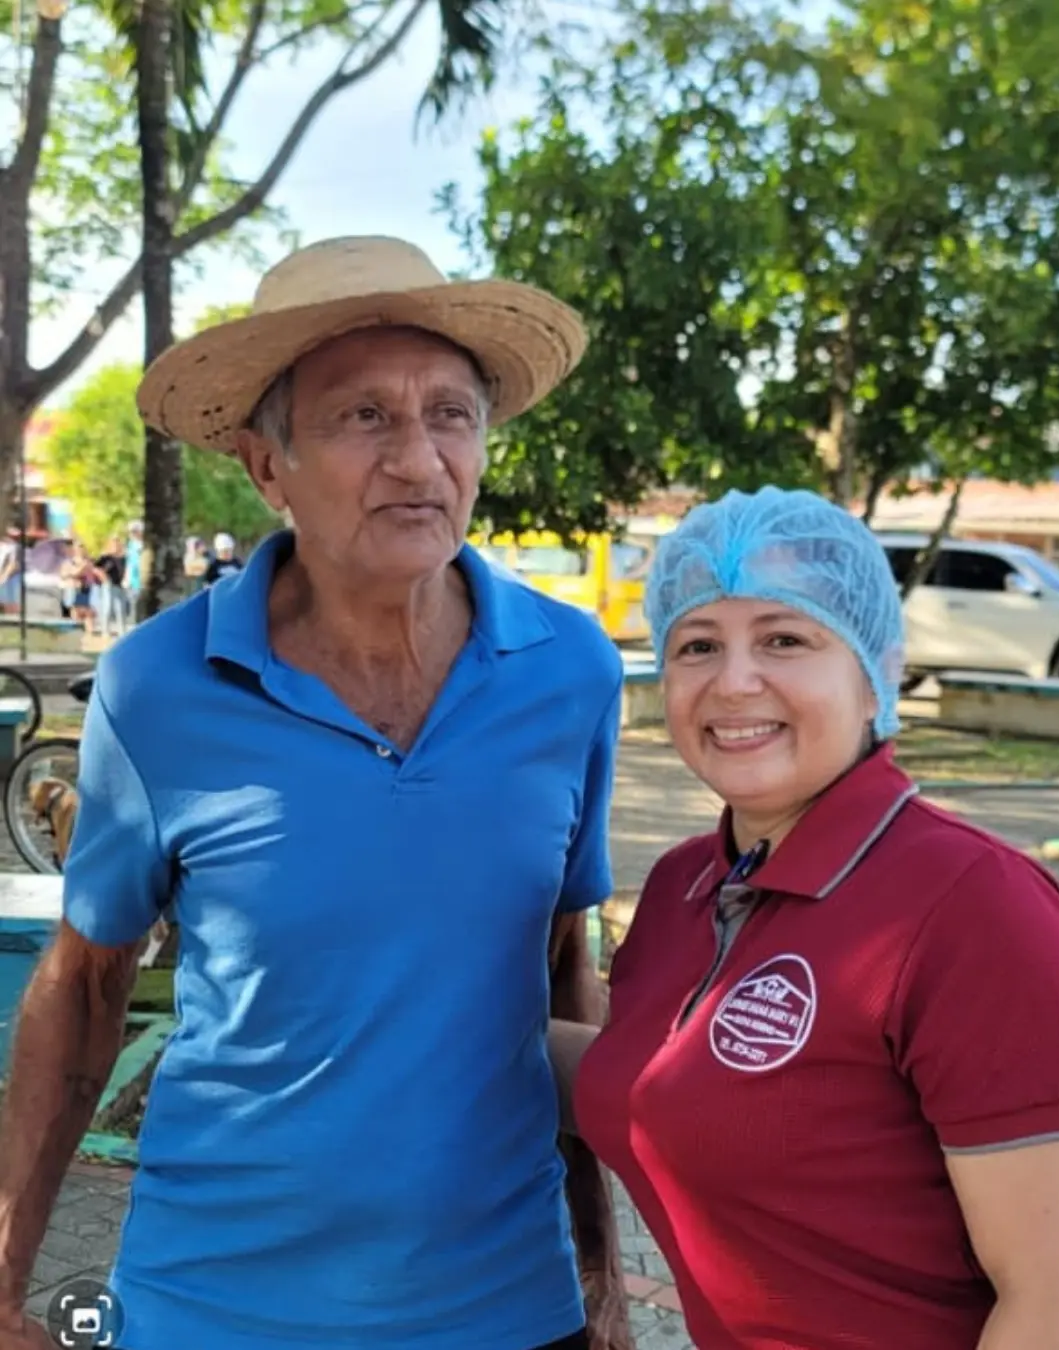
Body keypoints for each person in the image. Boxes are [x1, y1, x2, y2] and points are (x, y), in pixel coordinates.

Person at [0, 236, 629, 1350]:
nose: (419, 460)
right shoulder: (159, 686)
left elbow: (559, 966)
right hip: (213, 1303)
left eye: (450, 414)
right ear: (267, 465)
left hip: (504, 1304)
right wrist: (4, 1283)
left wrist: (599, 1268)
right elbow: (87, 987)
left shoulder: (569, 670)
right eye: (363, 417)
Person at [551, 487, 1059, 1350]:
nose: (734, 682)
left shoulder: (974, 906)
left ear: (876, 673)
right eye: (697, 645)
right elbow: (668, 1080)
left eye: (784, 639)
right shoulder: (688, 885)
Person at [93, 535, 127, 638]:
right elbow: (95, 567)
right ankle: (105, 631)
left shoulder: (123, 558)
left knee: (121, 609)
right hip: (109, 585)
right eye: (114, 543)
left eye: (117, 543)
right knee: (107, 607)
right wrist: (103, 576)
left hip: (120, 585)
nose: (116, 545)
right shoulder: (106, 557)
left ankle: (122, 631)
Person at [123, 520, 144, 622]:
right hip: (133, 579)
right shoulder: (130, 545)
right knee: (133, 604)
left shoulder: (145, 544)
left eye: (135, 531)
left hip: (142, 578)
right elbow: (129, 563)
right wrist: (126, 578)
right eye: (131, 532)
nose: (133, 534)